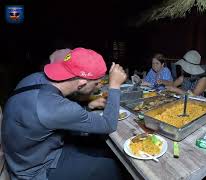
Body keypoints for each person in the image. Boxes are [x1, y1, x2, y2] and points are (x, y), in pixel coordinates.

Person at [1, 48, 127, 180]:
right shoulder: (55, 106)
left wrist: (88, 105)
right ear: (82, 84)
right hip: (36, 170)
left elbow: (51, 115)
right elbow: (108, 124)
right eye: (96, 83)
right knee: (110, 166)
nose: (98, 86)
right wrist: (114, 86)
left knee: (99, 147)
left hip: (24, 157)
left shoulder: (34, 78)